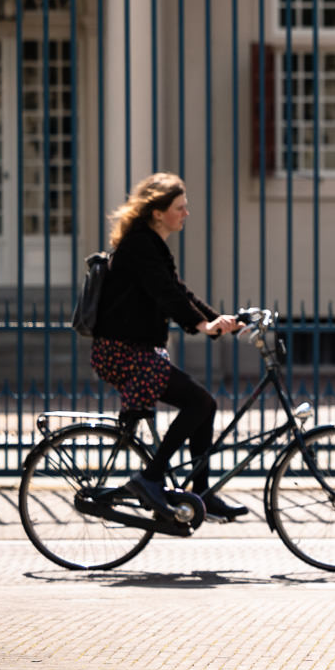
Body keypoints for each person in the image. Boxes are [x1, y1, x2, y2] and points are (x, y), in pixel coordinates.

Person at [90, 172, 247, 521]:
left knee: (203, 405)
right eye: (180, 207)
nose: (186, 213)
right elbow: (166, 294)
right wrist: (202, 325)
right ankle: (150, 478)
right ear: (158, 212)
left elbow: (180, 292)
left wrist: (220, 320)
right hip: (122, 352)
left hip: (135, 350)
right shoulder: (140, 245)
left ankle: (201, 494)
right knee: (201, 402)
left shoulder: (150, 244)